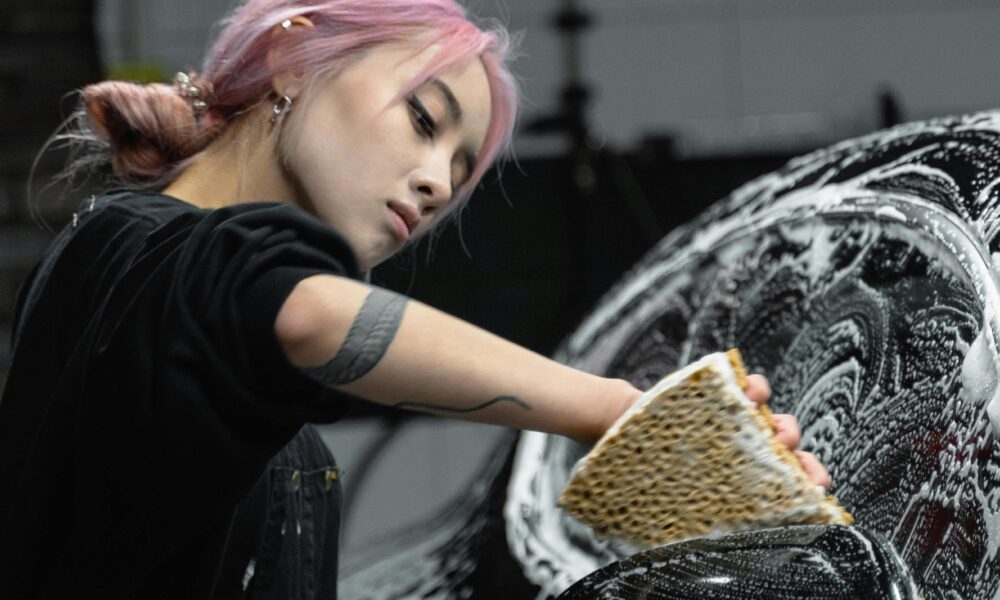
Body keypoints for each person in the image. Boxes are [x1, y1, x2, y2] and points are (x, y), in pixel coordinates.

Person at [0, 0, 831, 597]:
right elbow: (296, 309)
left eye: (461, 171)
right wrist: (621, 413)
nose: (436, 183)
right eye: (424, 120)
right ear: (293, 55)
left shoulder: (292, 457)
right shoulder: (120, 252)